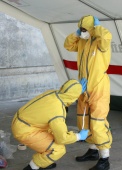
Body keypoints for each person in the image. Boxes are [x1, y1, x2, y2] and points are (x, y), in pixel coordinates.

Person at [64, 15, 113, 170]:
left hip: (98, 87)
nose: (83, 32)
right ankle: (92, 150)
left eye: (85, 29)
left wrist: (97, 28)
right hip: (83, 87)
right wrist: (77, 34)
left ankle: (105, 159)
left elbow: (105, 38)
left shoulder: (101, 41)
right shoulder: (83, 41)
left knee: (98, 123)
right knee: (83, 120)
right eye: (82, 29)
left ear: (92, 29)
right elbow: (68, 45)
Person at [11, 79, 89, 170]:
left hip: (22, 122)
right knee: (58, 149)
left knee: (52, 133)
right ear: (73, 97)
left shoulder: (52, 93)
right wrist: (78, 136)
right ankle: (32, 167)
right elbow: (62, 139)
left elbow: (65, 98)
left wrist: (75, 89)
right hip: (25, 131)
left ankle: (44, 161)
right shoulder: (57, 112)